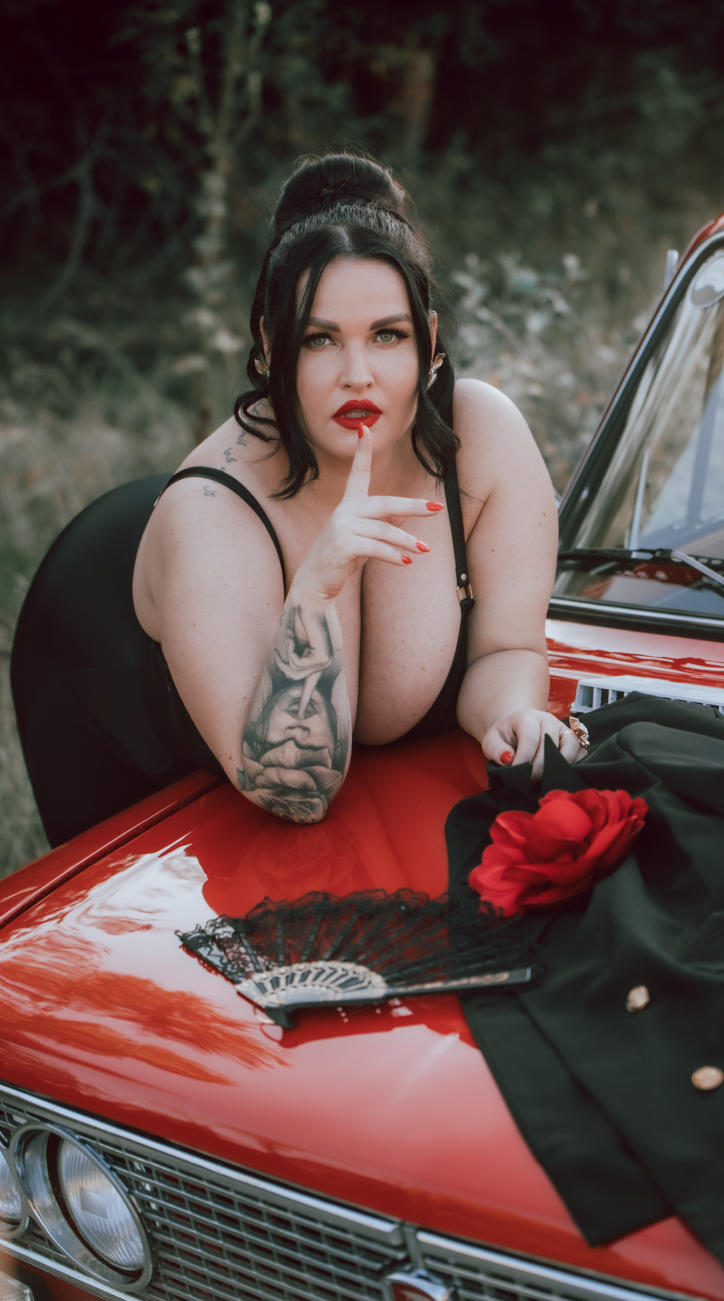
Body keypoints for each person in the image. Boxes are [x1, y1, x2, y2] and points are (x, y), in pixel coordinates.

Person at [12, 151, 586, 845]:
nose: (357, 374)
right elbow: (294, 796)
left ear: (429, 340)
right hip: (100, 669)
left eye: (388, 335)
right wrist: (316, 591)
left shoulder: (482, 438)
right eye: (319, 339)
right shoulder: (209, 513)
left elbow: (505, 649)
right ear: (269, 343)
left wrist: (512, 715)